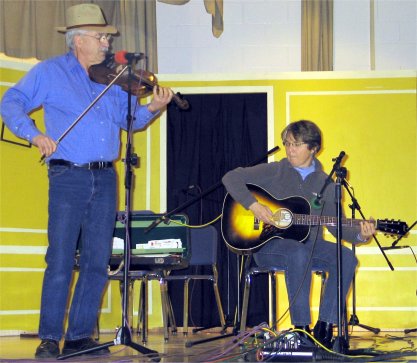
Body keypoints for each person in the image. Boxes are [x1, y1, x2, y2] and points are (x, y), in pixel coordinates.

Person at [1, 3, 173, 359]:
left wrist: (152, 109)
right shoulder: (49, 72)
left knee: (97, 261)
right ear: (78, 41)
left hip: (106, 177)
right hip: (68, 175)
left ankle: (79, 336)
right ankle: (50, 337)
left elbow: (130, 121)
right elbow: (11, 101)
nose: (107, 44)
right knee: (61, 258)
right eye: (100, 37)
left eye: (106, 38)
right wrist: (34, 135)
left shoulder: (110, 78)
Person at [222, 120, 376, 348]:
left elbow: (337, 226)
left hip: (310, 247)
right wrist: (253, 205)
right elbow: (230, 178)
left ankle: (324, 327)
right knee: (297, 251)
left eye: (296, 145)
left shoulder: (326, 183)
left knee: (347, 257)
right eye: (287, 144)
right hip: (268, 247)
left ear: (313, 148)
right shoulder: (276, 170)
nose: (289, 150)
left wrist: (362, 235)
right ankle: (301, 330)